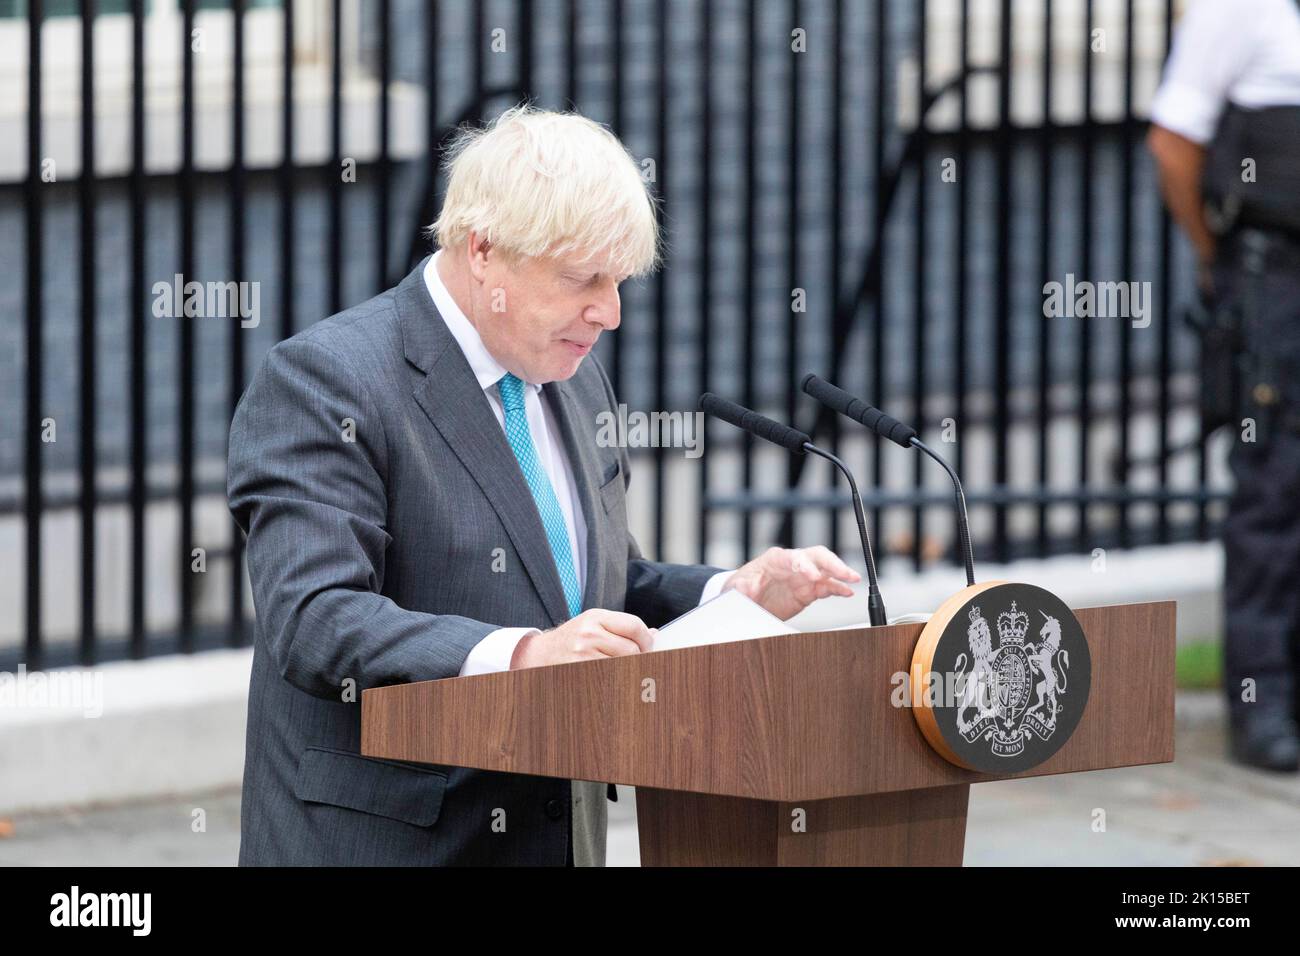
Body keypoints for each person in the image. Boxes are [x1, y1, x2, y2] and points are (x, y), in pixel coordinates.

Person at [227, 104, 862, 864]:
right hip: (393, 842)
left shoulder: (573, 376)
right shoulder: (328, 381)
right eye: (582, 278)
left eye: (618, 281)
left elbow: (590, 594)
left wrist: (729, 595)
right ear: (483, 250)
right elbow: (314, 617)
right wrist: (523, 655)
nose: (610, 312)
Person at [1148, 0, 1300, 771]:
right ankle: (1263, 702)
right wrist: (1217, 261)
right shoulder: (1241, 8)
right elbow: (1173, 142)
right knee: (1276, 487)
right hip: (1274, 278)